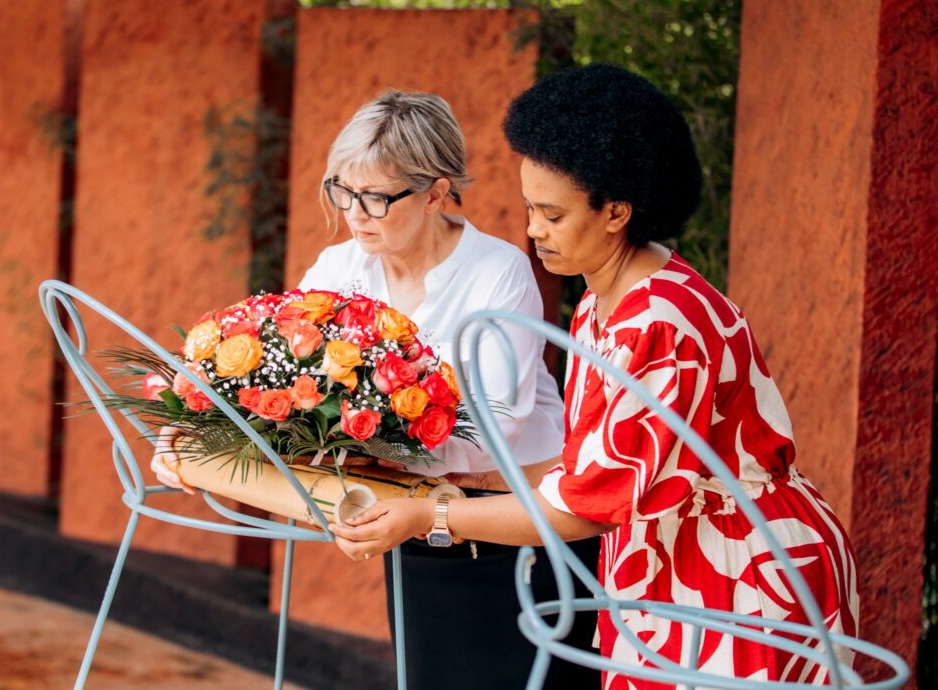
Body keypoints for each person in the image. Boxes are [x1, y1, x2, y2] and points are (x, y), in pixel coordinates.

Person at [331, 66, 859, 687]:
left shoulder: (658, 322)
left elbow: (585, 508)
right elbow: (593, 463)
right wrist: (472, 479)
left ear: (616, 212)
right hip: (665, 557)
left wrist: (430, 517)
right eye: (531, 208)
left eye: (552, 215)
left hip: (736, 569)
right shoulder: (600, 301)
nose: (533, 229)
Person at [152, 90, 601, 690]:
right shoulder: (339, 269)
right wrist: (206, 429)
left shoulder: (498, 273)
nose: (355, 213)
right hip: (411, 521)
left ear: (436, 193)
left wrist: (354, 452)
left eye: (377, 198)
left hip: (512, 533)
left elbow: (494, 430)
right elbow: (277, 381)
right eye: (342, 191)